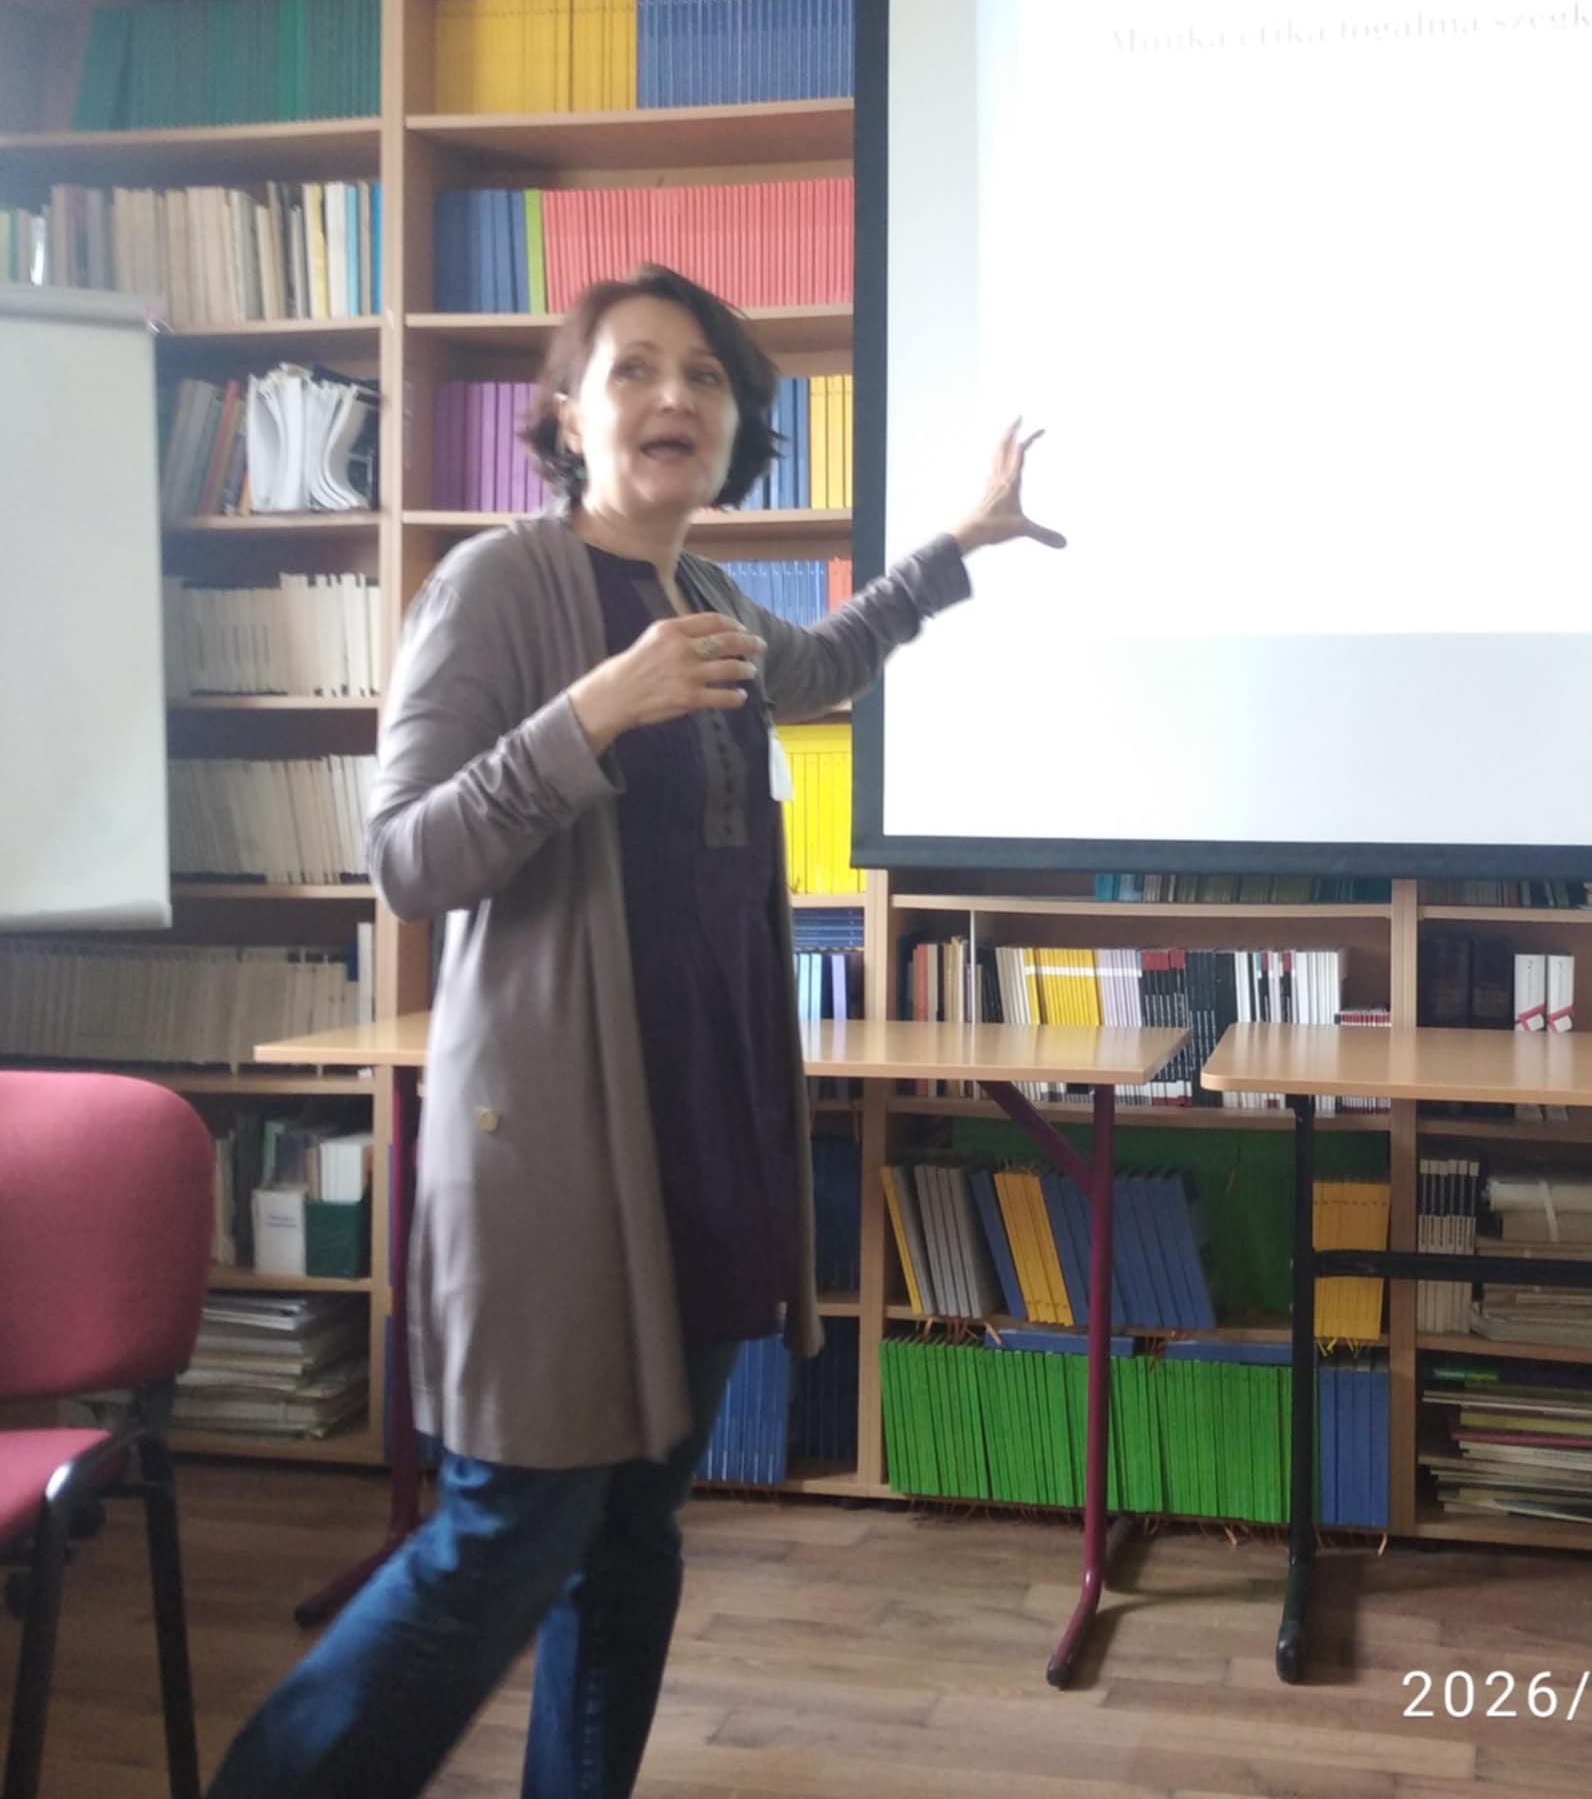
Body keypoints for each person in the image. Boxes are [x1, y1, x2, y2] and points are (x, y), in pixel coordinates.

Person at [206, 263, 1063, 1799]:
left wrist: (959, 545)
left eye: (708, 377)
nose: (676, 397)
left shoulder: (709, 600)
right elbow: (405, 859)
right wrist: (593, 712)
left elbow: (821, 662)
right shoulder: (497, 587)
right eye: (636, 370)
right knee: (502, 1537)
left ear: (737, 429)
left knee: (634, 1536)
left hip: (710, 1133)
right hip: (549, 1157)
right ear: (568, 417)